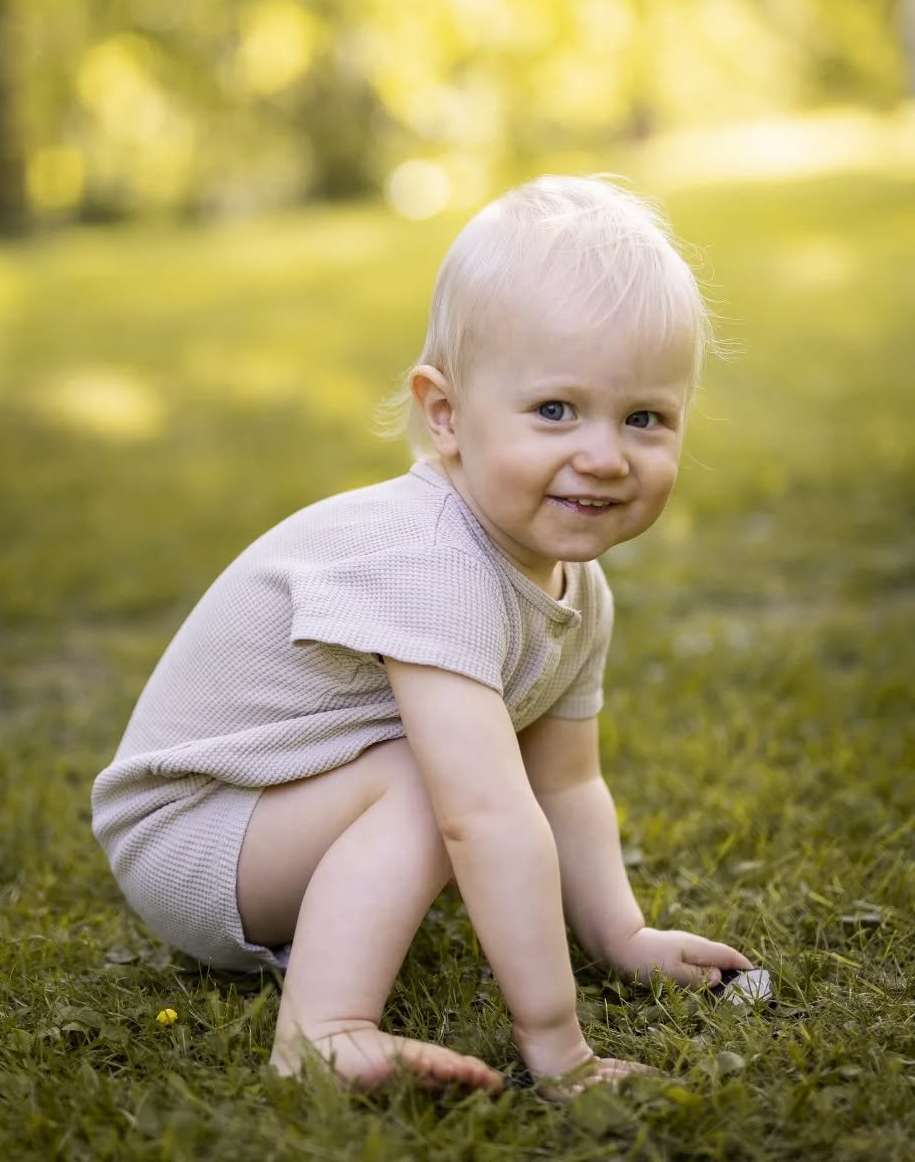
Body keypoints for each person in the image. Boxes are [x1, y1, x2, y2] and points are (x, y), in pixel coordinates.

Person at [91, 175, 752, 1097]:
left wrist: (621, 934)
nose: (604, 456)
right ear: (446, 415)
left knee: (464, 774)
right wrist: (558, 1045)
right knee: (445, 778)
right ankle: (320, 1036)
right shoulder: (431, 560)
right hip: (193, 835)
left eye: (644, 418)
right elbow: (481, 814)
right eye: (555, 410)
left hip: (281, 818)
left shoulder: (579, 588)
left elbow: (566, 784)